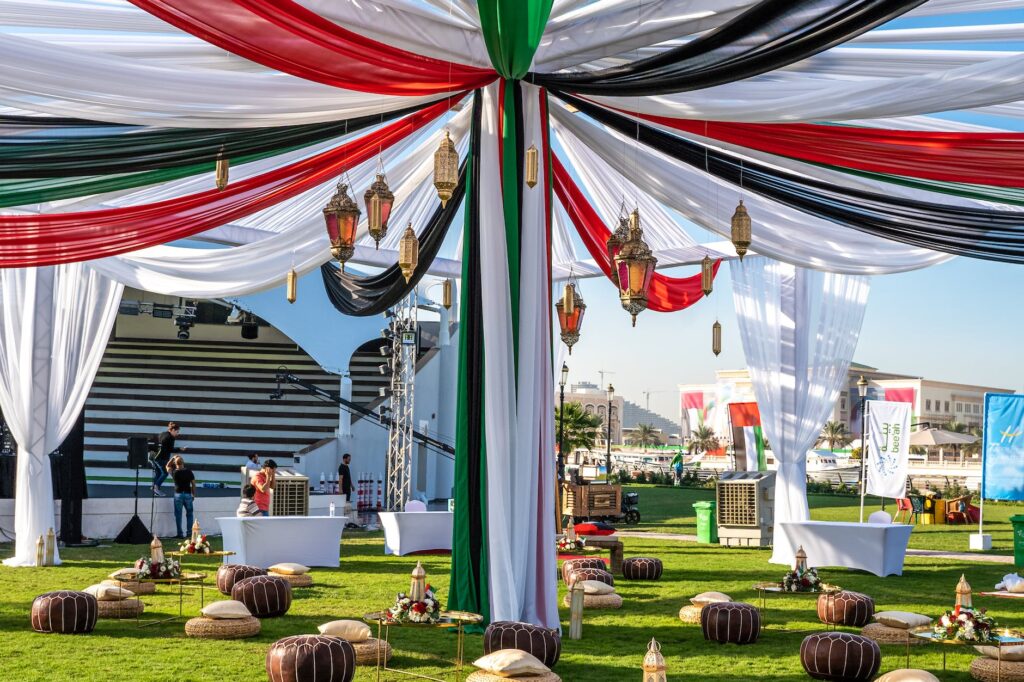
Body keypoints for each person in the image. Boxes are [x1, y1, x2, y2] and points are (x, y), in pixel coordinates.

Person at [152, 421, 186, 497]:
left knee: (158, 473)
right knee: (165, 473)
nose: (178, 433)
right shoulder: (171, 438)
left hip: (155, 456)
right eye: (177, 432)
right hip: (162, 458)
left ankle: (155, 488)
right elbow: (170, 449)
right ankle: (156, 488)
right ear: (173, 430)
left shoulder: (162, 434)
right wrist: (180, 449)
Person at [170, 455, 196, 539]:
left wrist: (173, 458)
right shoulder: (189, 471)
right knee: (190, 514)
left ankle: (180, 534)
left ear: (175, 463)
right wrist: (193, 494)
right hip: (188, 494)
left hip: (178, 494)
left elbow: (167, 466)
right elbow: (193, 484)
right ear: (183, 462)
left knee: (178, 515)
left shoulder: (174, 472)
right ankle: (189, 533)